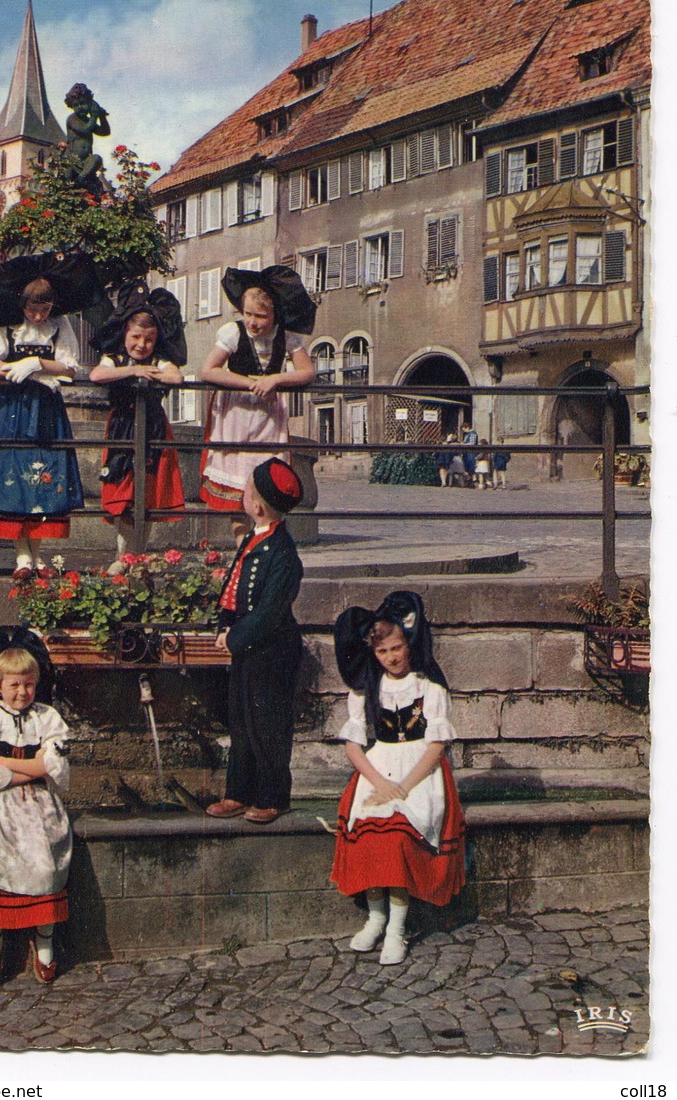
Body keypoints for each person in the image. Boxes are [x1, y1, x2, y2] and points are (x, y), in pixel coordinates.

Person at [330, 591, 466, 965]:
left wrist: (403, 786)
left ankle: (397, 929)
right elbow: (355, 746)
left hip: (420, 768)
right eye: (383, 652)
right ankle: (376, 918)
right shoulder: (366, 687)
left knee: (397, 838)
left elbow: (436, 744)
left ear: (408, 642)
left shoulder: (428, 683)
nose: (392, 657)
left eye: (396, 648)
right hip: (380, 765)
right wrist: (379, 782)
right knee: (369, 832)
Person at [0, 251, 102, 578]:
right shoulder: (6, 325)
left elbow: (69, 367)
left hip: (45, 406)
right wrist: (14, 367)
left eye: (44, 309)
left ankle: (37, 555)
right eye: (32, 309)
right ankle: (22, 557)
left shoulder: (58, 325)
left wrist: (38, 365)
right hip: (12, 406)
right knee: (14, 475)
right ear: (22, 305)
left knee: (43, 476)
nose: (38, 316)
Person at [0, 630, 71, 986]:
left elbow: (52, 767)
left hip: (40, 805)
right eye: (14, 685)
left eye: (28, 684)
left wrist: (6, 761)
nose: (22, 692)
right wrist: (31, 766)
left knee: (44, 862)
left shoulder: (48, 719)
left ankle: (45, 941)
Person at [205, 458, 305, 825]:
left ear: (258, 505)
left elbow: (271, 610)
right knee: (241, 721)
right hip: (248, 647)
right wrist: (224, 623)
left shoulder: (283, 553)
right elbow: (234, 585)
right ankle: (239, 791)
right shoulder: (254, 537)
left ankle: (272, 795)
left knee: (268, 724)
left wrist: (235, 637)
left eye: (246, 491)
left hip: (272, 650)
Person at [199, 266, 316, 545]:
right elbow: (208, 370)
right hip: (236, 416)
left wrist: (276, 379)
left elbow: (307, 372)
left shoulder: (285, 337)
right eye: (248, 314)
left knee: (265, 480)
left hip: (267, 419)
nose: (252, 322)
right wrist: (249, 383)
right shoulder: (234, 332)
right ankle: (242, 547)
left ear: (274, 314)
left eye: (260, 316)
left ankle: (263, 543)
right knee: (237, 484)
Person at [89, 281, 186, 573]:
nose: (141, 345)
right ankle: (123, 555)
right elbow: (96, 375)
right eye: (136, 337)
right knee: (123, 490)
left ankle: (140, 554)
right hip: (122, 427)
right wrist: (132, 370)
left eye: (149, 339)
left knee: (148, 493)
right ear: (125, 334)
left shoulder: (160, 360)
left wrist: (155, 371)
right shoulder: (116, 358)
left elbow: (176, 378)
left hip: (152, 428)